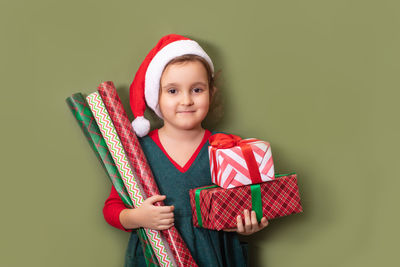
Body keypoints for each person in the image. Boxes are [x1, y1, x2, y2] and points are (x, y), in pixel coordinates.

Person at [103, 34, 269, 267]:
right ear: (156, 97)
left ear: (211, 92)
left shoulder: (227, 148)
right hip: (157, 256)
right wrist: (137, 217)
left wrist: (248, 223)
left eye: (197, 89)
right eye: (173, 91)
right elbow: (112, 209)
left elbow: (245, 202)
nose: (186, 100)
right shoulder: (137, 152)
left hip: (215, 255)